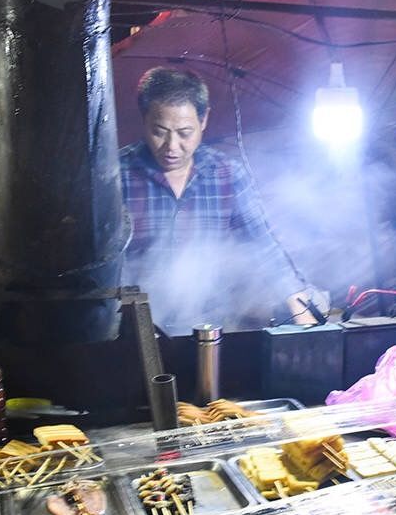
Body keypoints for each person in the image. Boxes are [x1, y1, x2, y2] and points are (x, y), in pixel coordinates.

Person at [119, 67, 316, 332]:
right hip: (138, 330)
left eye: (185, 132)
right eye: (159, 131)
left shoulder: (226, 174)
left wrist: (300, 308)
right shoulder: (116, 176)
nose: (172, 146)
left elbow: (263, 245)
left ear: (204, 120)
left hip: (209, 326)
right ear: (144, 119)